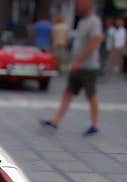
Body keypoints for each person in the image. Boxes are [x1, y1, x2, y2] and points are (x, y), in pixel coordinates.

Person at [40, 0, 103, 136]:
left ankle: (95, 124)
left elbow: (93, 44)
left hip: (88, 67)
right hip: (77, 66)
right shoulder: (81, 22)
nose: (78, 5)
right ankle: (55, 121)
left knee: (91, 95)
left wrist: (80, 61)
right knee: (68, 93)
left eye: (81, 3)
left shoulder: (94, 22)